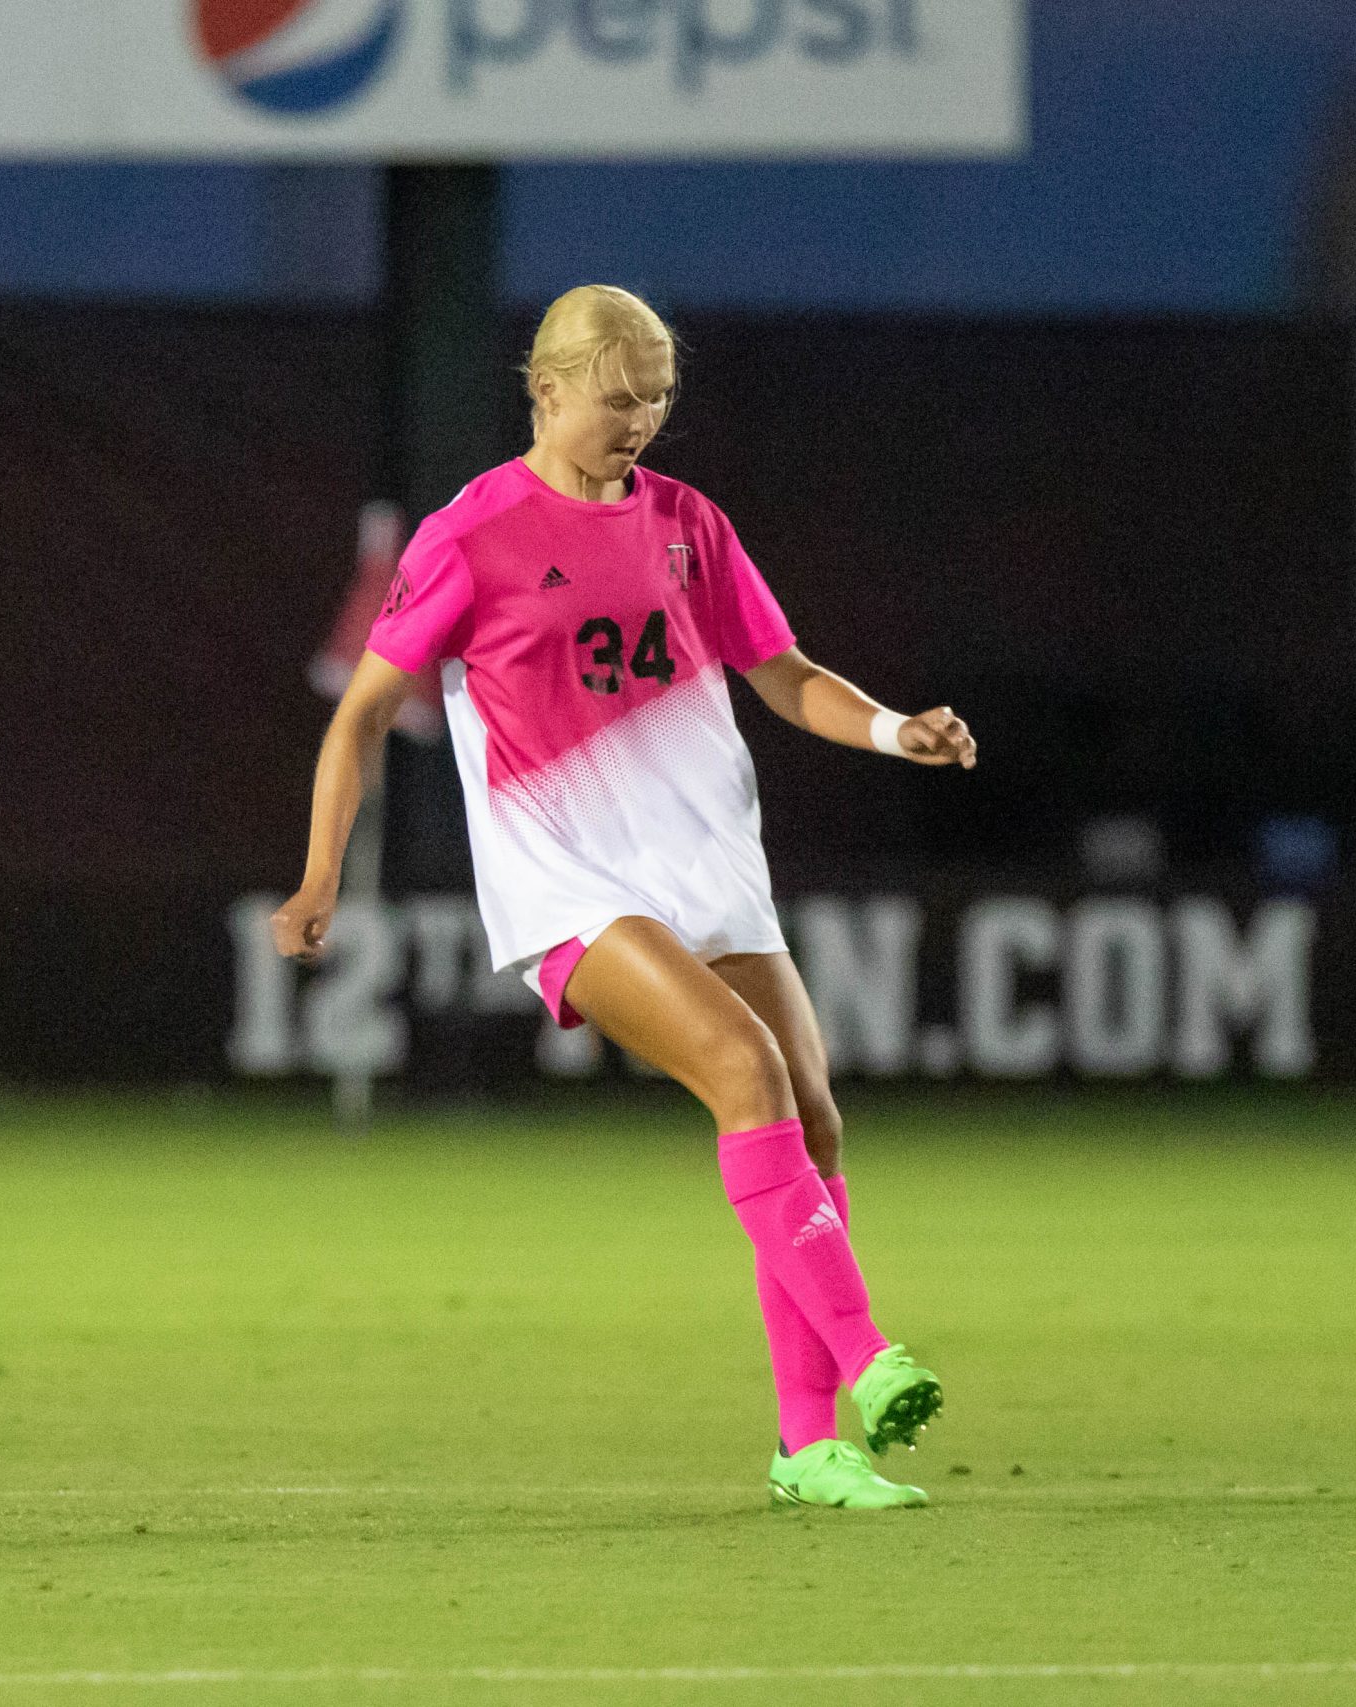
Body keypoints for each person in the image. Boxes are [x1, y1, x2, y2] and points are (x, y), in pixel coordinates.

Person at [272, 285, 978, 1511]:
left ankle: (809, 1448)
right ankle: (868, 1356)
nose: (640, 419)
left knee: (812, 1123)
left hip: (703, 864)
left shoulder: (686, 523)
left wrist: (887, 729)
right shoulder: (470, 531)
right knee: (744, 1072)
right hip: (570, 880)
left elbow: (781, 672)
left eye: (657, 396)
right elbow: (362, 713)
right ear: (544, 392)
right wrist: (323, 870)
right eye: (616, 397)